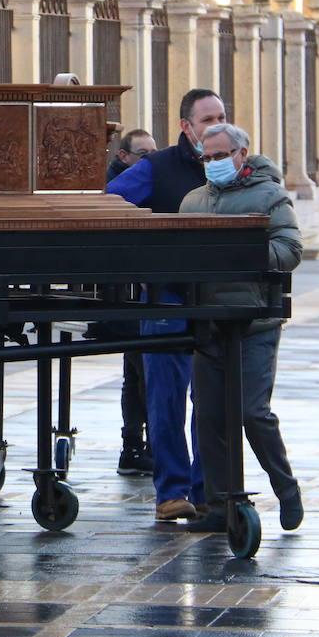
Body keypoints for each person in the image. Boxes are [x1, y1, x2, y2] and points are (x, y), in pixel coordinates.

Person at [106, 89, 227, 521]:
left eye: (221, 117)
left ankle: (207, 488)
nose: (215, 125)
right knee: (166, 399)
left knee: (212, 400)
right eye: (207, 119)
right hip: (165, 297)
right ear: (186, 127)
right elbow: (108, 202)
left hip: (217, 299)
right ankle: (172, 493)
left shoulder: (233, 167)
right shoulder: (155, 167)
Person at [181, 123, 304, 533]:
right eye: (206, 157)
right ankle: (220, 506)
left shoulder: (270, 195)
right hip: (209, 322)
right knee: (210, 417)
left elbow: (290, 249)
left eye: (220, 155)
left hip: (254, 322)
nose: (213, 163)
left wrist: (241, 253)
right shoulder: (192, 201)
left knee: (253, 413)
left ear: (242, 153)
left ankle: (286, 488)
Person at [103, 128, 157, 475]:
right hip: (127, 294)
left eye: (154, 152)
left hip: (139, 292)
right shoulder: (117, 188)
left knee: (139, 372)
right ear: (124, 157)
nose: (150, 159)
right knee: (139, 373)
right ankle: (136, 446)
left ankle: (139, 446)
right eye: (143, 154)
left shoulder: (144, 179)